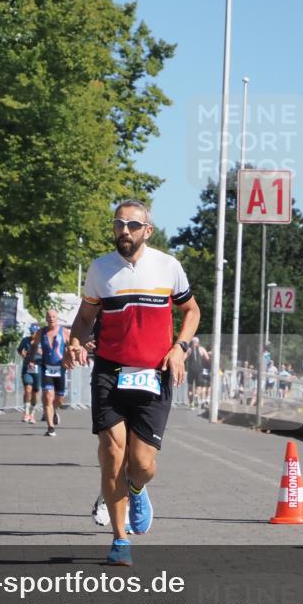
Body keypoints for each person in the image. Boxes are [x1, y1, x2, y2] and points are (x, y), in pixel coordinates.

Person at [63, 199, 200, 566]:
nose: (124, 231)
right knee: (112, 455)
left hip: (154, 372)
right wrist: (74, 342)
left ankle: (137, 488)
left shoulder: (168, 267)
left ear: (147, 231)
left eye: (133, 225)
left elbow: (191, 311)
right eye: (119, 224)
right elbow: (85, 317)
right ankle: (119, 539)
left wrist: (180, 348)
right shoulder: (100, 269)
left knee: (141, 463)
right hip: (110, 370)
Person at [39, 309, 68, 437]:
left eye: (54, 316)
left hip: (60, 368)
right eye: (49, 317)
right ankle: (50, 427)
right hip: (46, 368)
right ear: (46, 318)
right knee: (47, 397)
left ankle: (54, 410)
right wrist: (32, 359)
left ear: (57, 318)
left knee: (59, 399)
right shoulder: (41, 332)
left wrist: (70, 357)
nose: (51, 319)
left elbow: (72, 346)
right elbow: (34, 345)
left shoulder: (64, 332)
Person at [18, 323, 42, 423]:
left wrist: (41, 353)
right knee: (28, 389)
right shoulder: (25, 340)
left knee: (35, 392)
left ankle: (32, 413)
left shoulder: (42, 341)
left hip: (38, 368)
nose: (32, 334)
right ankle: (26, 412)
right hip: (27, 368)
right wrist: (22, 354)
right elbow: (19, 350)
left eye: (34, 332)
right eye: (31, 332)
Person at [185, 338, 209, 408]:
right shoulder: (202, 349)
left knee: (190, 387)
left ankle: (191, 403)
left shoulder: (189, 350)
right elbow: (207, 358)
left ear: (192, 343)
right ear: (198, 343)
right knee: (198, 386)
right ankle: (196, 395)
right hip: (199, 370)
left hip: (190, 370)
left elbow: (184, 358)